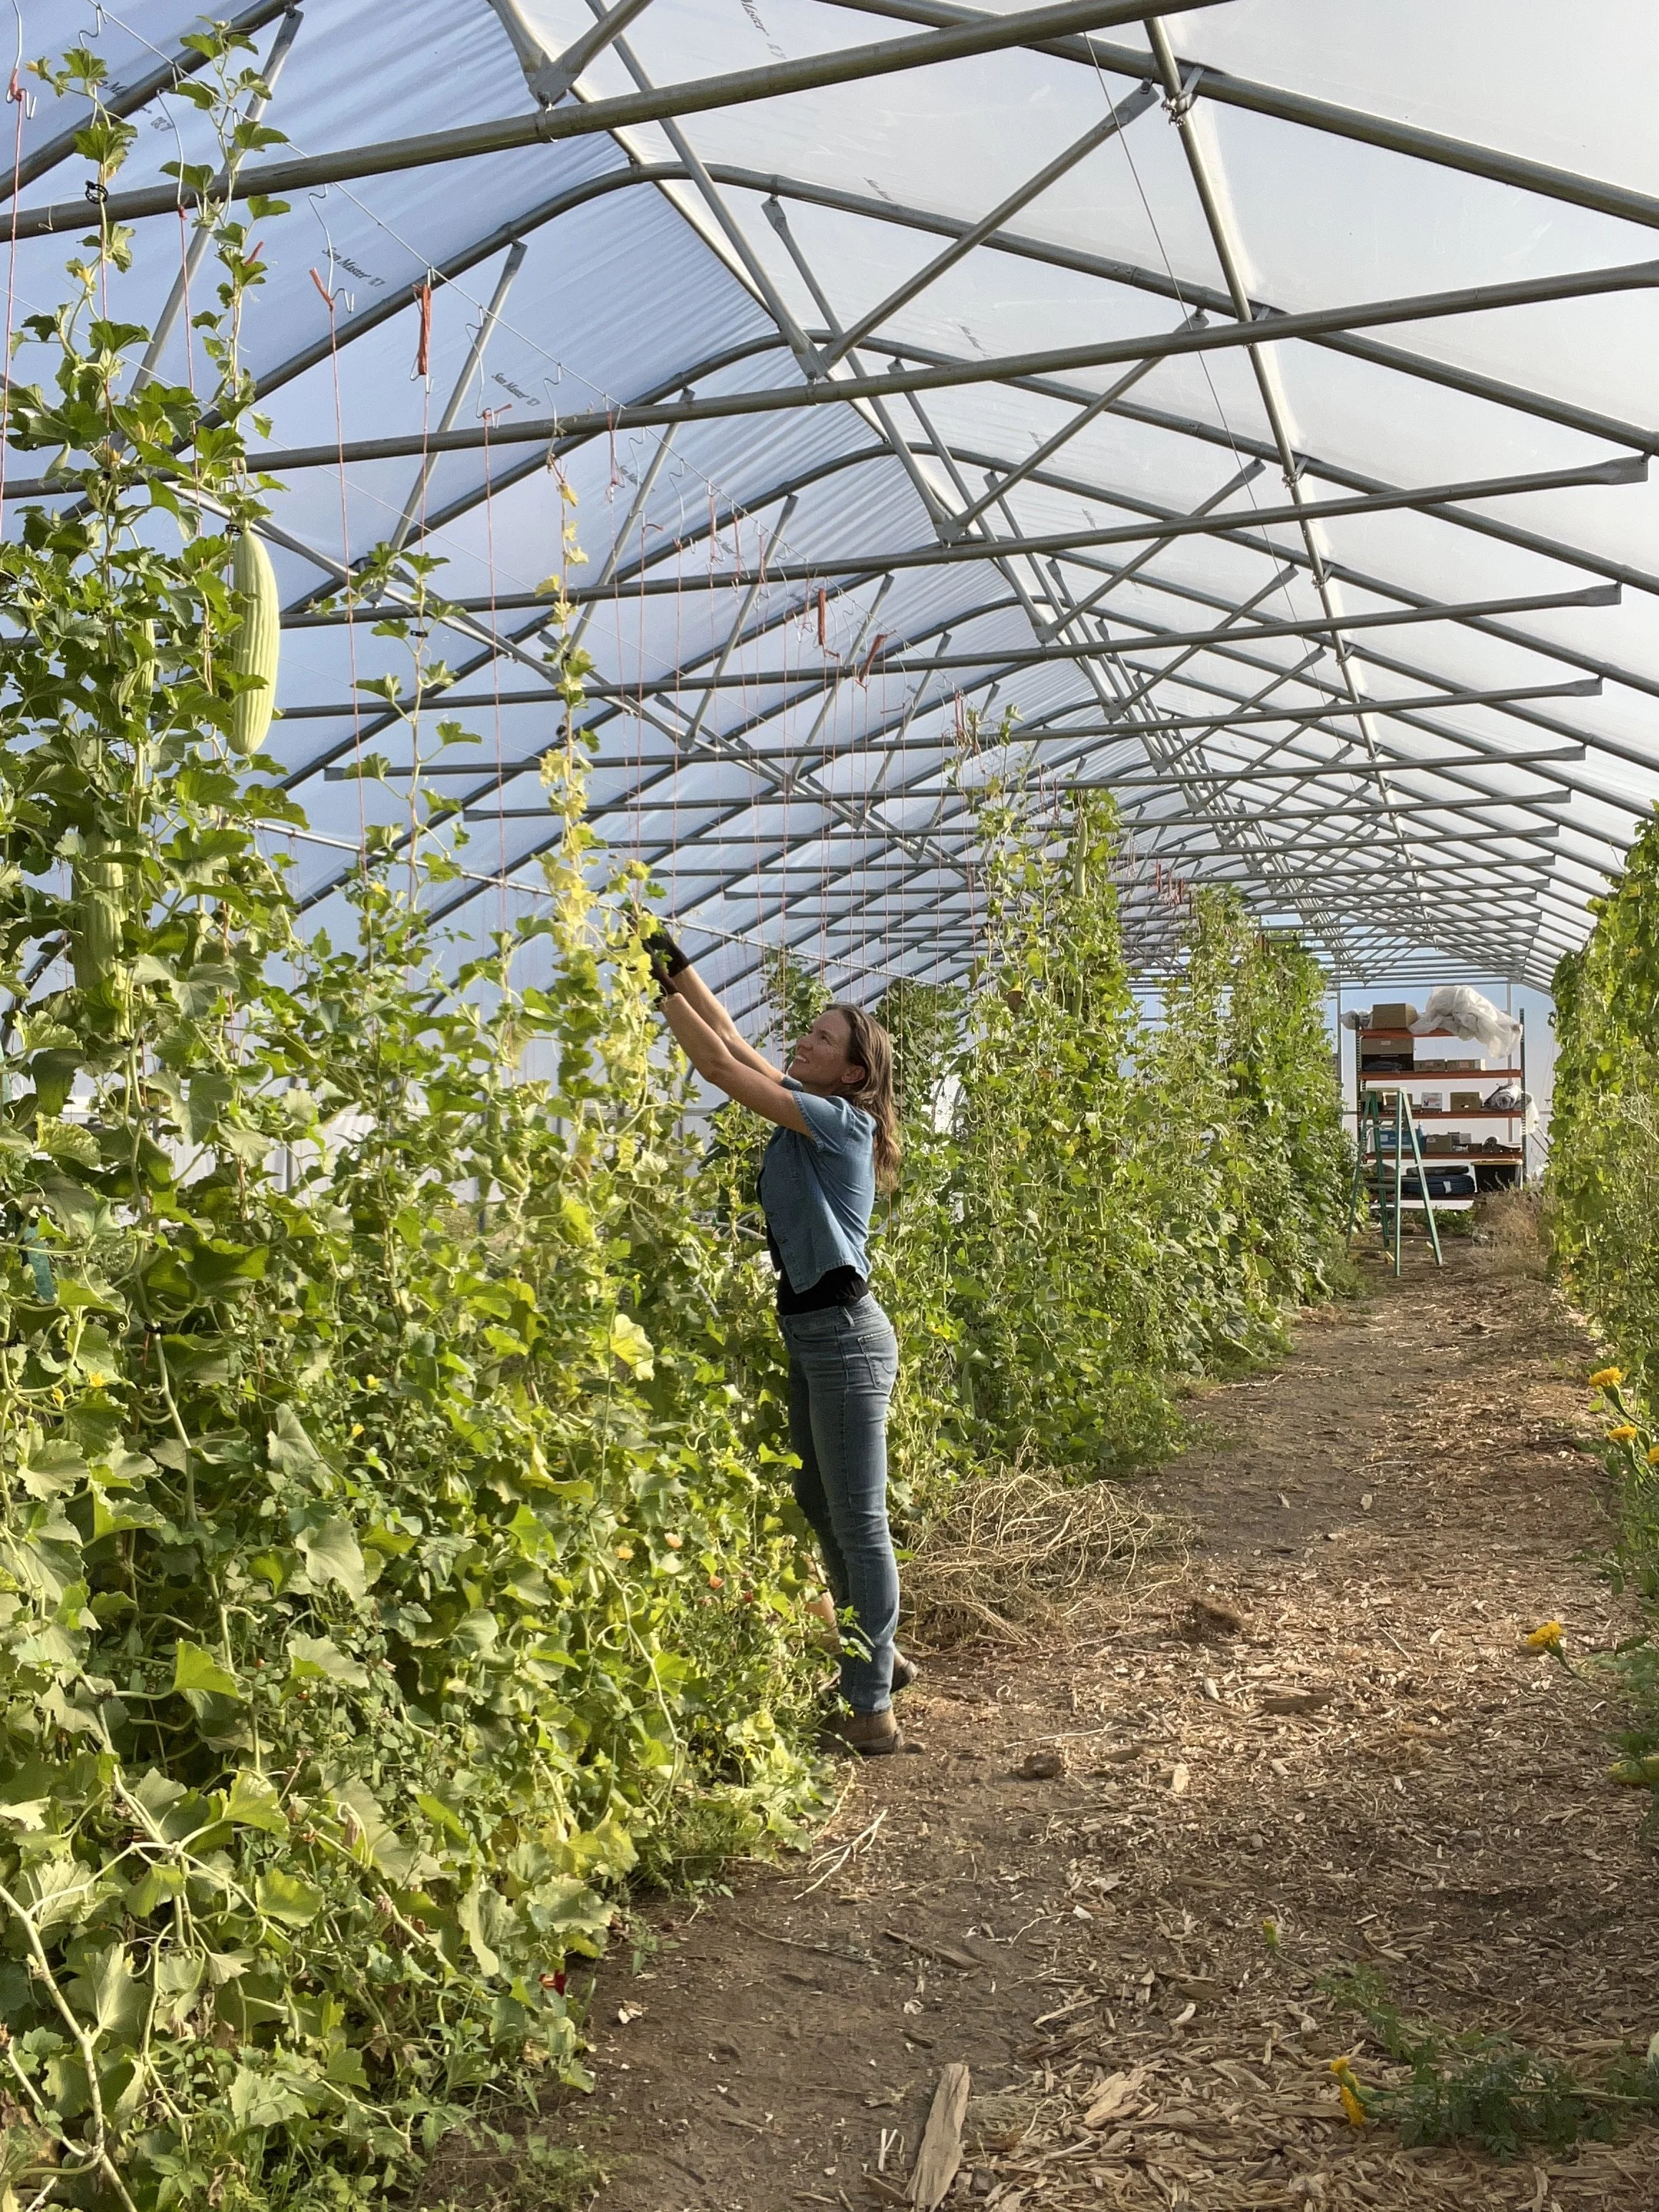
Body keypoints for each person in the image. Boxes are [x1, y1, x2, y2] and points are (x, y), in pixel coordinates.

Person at [643, 922, 911, 1756]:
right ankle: (882, 1659)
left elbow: (719, 1068)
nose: (803, 1037)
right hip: (813, 1334)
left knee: (860, 1523)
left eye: (822, 1037)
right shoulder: (812, 1106)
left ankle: (870, 1704)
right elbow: (730, 1040)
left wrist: (647, 993)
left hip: (844, 1337)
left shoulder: (842, 1124)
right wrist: (677, 968)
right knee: (818, 1505)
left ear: (854, 1072)